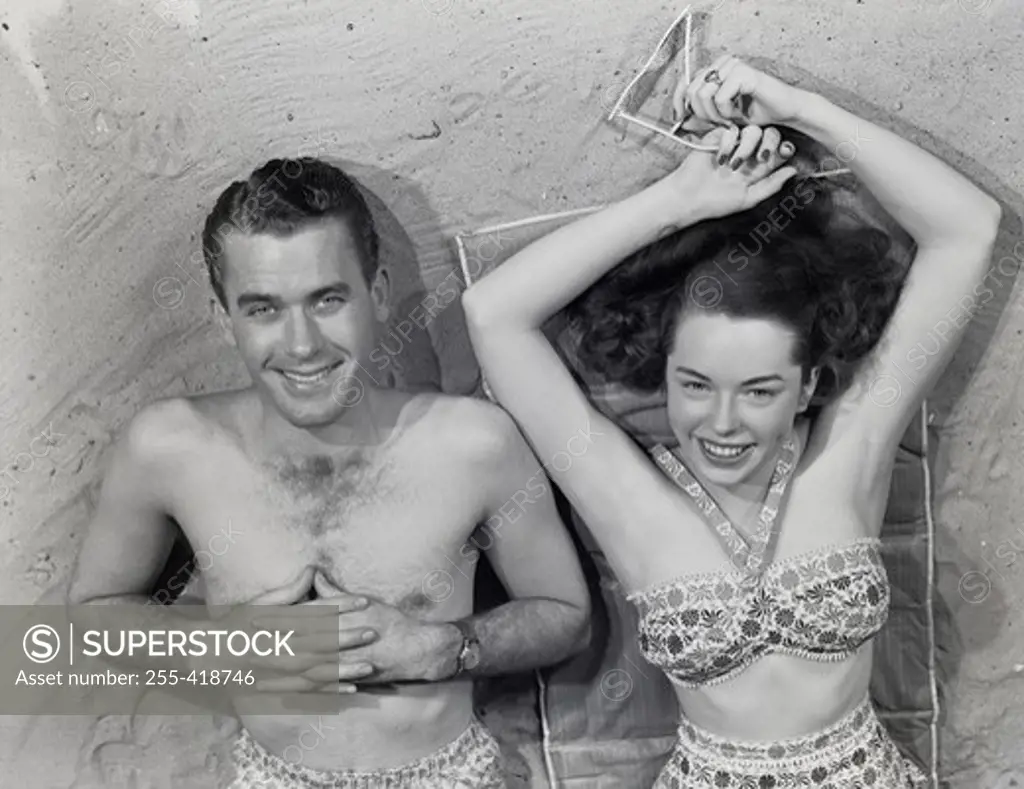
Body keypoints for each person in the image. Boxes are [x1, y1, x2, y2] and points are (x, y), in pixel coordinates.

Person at [463, 55, 1000, 787]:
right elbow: (492, 314)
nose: (722, 421)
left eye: (757, 390)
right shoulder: (624, 493)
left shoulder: (853, 445)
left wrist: (804, 107)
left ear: (808, 381)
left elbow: (969, 228)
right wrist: (680, 198)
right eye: (695, 384)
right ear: (665, 372)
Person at [66, 157, 592, 789]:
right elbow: (94, 616)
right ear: (221, 316)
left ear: (377, 293)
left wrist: (445, 648)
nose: (302, 344)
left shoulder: (474, 442)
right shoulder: (169, 447)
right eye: (263, 308)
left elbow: (566, 614)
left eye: (327, 299)